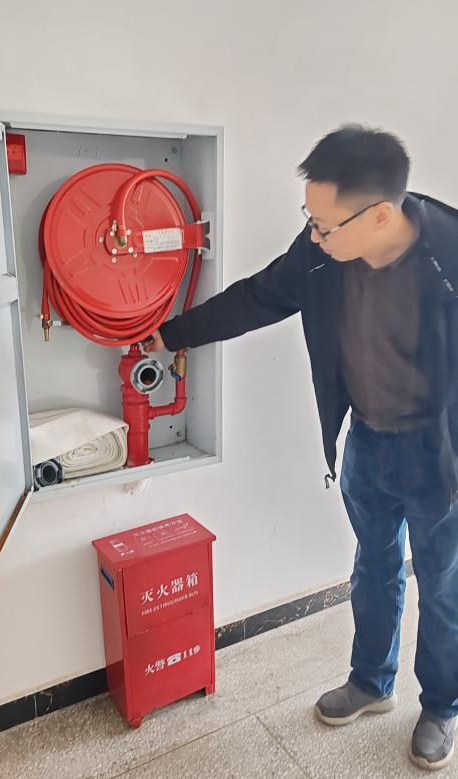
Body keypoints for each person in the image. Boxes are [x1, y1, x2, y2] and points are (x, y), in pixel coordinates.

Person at [143, 124, 458, 771]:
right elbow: (259, 296)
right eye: (307, 218)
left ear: (379, 215)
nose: (311, 235)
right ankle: (371, 680)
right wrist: (173, 334)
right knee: (373, 567)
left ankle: (441, 705)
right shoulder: (320, 253)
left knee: (443, 585)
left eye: (323, 224)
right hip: (366, 442)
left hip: (440, 456)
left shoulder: (449, 255)